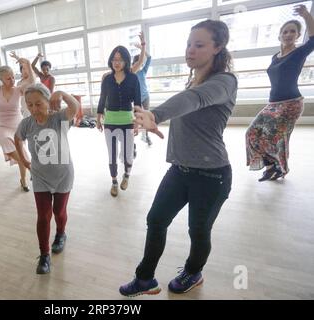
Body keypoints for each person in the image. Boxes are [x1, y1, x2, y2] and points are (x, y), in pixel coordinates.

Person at [119, 19, 237, 296]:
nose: (190, 50)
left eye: (199, 45)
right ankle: (145, 278)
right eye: (188, 44)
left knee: (198, 231)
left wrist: (155, 114)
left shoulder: (225, 82)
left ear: (218, 47)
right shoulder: (193, 79)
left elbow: (194, 100)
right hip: (180, 170)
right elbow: (189, 99)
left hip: (212, 175)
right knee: (156, 220)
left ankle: (194, 272)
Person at [14, 83, 79, 274]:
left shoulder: (59, 118)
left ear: (47, 101)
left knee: (59, 212)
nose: (33, 109)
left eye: (38, 104)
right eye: (29, 104)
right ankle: (44, 255)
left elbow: (75, 107)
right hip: (40, 176)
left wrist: (61, 93)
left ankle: (60, 234)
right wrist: (24, 159)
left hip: (63, 175)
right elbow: (17, 138)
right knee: (43, 216)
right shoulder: (26, 123)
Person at [246, 4, 314, 181]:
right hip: (274, 103)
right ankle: (271, 167)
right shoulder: (275, 57)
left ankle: (280, 168)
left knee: (274, 135)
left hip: (292, 102)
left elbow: (313, 41)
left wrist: (306, 15)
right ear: (280, 35)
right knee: (252, 132)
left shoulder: (299, 53)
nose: (289, 34)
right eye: (285, 31)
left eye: (293, 31)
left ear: (298, 35)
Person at [96, 46, 141, 197]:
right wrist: (98, 117)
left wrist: (137, 121)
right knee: (112, 154)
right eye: (114, 59)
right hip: (110, 121)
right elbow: (102, 98)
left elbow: (138, 102)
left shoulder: (133, 78)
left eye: (120, 59)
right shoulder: (107, 79)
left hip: (127, 121)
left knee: (128, 153)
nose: (117, 62)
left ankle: (126, 176)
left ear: (126, 61)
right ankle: (114, 182)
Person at [0, 62, 33, 192]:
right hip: (1, 125)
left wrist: (28, 65)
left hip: (17, 125)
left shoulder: (18, 89)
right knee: (6, 143)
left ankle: (23, 180)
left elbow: (31, 81)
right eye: (8, 78)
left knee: (21, 152)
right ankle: (30, 167)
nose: (12, 80)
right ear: (1, 79)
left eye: (13, 77)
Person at [133, 44, 152, 146]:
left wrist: (142, 49)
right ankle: (133, 140)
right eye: (139, 62)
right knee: (137, 119)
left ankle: (146, 136)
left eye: (142, 62)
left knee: (146, 117)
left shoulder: (143, 71)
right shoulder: (131, 73)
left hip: (146, 97)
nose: (141, 64)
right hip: (136, 99)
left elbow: (149, 58)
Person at [9, 52, 36, 119]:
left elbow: (27, 64)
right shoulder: (18, 83)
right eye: (23, 69)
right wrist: (16, 57)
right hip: (23, 107)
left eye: (27, 68)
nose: (26, 70)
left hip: (31, 108)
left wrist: (27, 62)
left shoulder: (31, 79)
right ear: (21, 71)